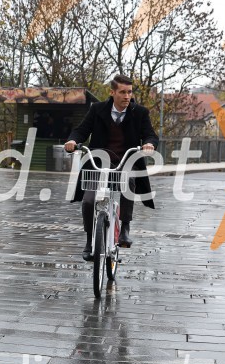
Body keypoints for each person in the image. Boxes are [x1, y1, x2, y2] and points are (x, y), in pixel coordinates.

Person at [64, 74, 158, 261]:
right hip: (98, 162)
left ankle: (124, 229)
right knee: (89, 201)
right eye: (122, 92)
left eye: (129, 92)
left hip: (126, 161)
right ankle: (90, 241)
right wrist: (73, 140)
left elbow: (150, 135)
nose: (126, 96)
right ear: (112, 92)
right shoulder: (97, 109)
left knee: (129, 181)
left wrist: (149, 144)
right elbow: (81, 130)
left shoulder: (140, 112)